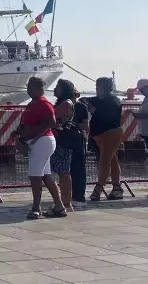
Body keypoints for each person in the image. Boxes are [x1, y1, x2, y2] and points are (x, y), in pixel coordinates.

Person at [17, 76, 65, 219]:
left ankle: (36, 207)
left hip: (41, 141)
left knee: (35, 175)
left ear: (39, 89)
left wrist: (33, 135)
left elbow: (51, 121)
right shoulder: (33, 103)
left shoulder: (43, 103)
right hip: (40, 140)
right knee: (45, 175)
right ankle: (59, 206)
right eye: (28, 87)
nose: (29, 90)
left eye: (31, 87)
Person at [82, 77, 124, 201]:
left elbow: (106, 115)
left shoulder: (112, 100)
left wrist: (91, 108)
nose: (96, 89)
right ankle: (117, 187)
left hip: (110, 132)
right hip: (100, 134)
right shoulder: (100, 99)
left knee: (104, 161)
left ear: (104, 88)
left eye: (98, 87)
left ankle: (98, 188)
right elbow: (87, 100)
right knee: (112, 160)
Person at [51, 79, 89, 211]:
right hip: (67, 140)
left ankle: (66, 202)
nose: (55, 89)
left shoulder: (66, 104)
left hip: (64, 141)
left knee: (63, 171)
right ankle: (66, 201)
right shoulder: (68, 103)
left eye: (58, 87)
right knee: (64, 171)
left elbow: (51, 117)